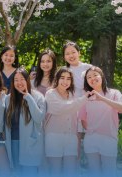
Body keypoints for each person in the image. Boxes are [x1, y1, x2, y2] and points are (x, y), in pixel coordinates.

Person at [44, 66, 92, 177]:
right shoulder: (50, 94)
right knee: (55, 172)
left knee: (70, 172)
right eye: (62, 78)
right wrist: (84, 98)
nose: (65, 81)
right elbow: (63, 108)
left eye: (68, 78)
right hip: (53, 136)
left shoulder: (72, 96)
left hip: (71, 137)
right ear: (57, 79)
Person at [78, 66, 122, 177]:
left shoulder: (114, 93)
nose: (92, 78)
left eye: (95, 75)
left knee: (109, 172)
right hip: (91, 139)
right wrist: (94, 131)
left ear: (101, 76)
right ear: (86, 81)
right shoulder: (86, 97)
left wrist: (102, 98)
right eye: (89, 77)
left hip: (109, 138)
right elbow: (84, 121)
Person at [4, 68, 46, 176]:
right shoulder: (8, 99)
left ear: (27, 80)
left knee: (30, 172)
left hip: (30, 143)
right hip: (14, 142)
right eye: (16, 80)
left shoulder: (37, 96)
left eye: (21, 79)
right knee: (19, 173)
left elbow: (39, 118)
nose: (19, 82)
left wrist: (29, 98)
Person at [62, 41, 92, 171]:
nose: (71, 55)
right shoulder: (64, 71)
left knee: (92, 137)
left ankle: (94, 168)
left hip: (90, 107)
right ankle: (75, 168)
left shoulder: (88, 68)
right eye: (67, 54)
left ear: (79, 53)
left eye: (73, 52)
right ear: (64, 57)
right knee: (76, 140)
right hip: (74, 108)